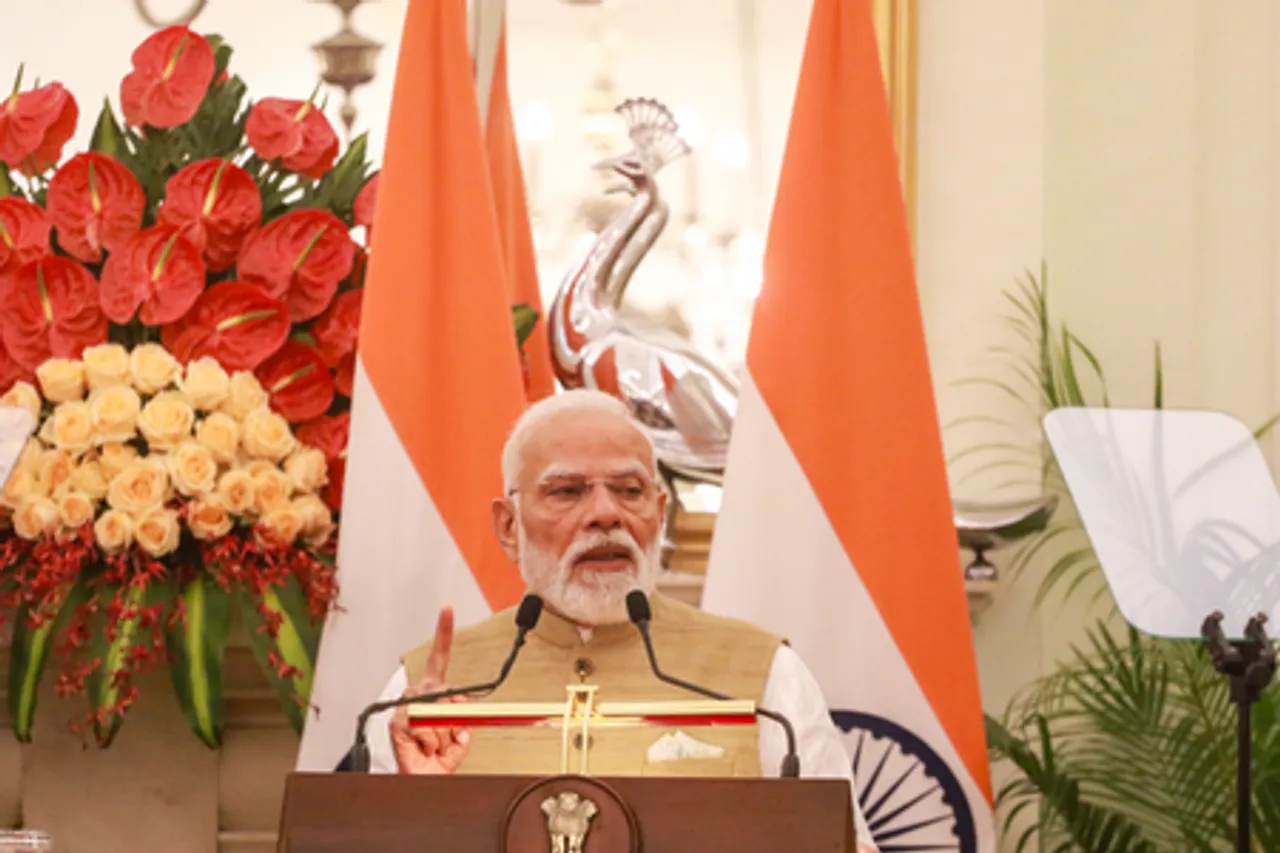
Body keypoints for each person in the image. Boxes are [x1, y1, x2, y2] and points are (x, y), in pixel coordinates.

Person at [364, 389, 878, 852]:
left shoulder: (764, 675)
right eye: (567, 491)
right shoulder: (425, 696)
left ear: (660, 513)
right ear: (508, 527)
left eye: (630, 491)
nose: (606, 514)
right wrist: (419, 805)